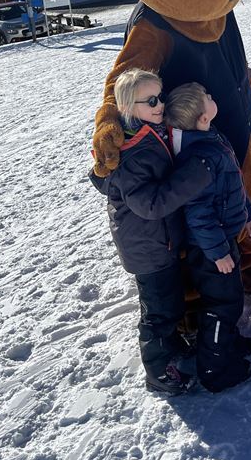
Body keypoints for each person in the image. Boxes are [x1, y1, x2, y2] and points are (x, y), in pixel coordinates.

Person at [89, 68, 213, 396]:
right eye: (153, 100)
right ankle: (159, 371)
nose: (161, 104)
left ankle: (171, 343)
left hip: (158, 241)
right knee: (159, 311)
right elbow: (151, 204)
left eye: (162, 96)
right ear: (129, 107)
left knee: (168, 301)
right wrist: (193, 178)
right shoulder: (132, 154)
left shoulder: (147, 131)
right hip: (147, 245)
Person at [165, 82, 251, 393]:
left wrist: (245, 215)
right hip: (209, 250)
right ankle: (215, 369)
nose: (212, 96)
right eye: (208, 97)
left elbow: (233, 185)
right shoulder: (200, 158)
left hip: (223, 237)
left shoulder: (209, 137)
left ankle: (227, 344)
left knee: (230, 298)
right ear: (201, 118)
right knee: (222, 304)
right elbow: (198, 214)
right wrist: (218, 253)